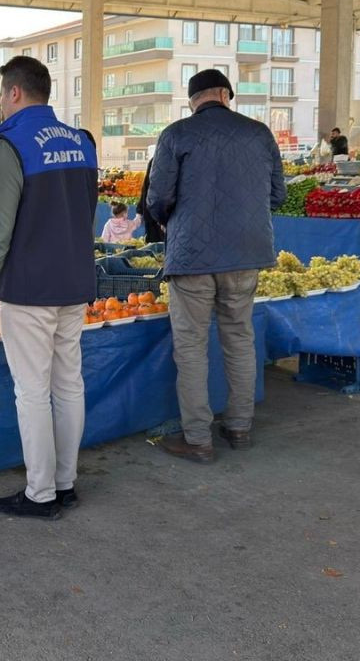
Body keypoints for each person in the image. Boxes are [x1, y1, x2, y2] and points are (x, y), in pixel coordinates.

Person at [0, 55, 98, 520]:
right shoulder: (82, 143)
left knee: (31, 391)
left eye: (2, 95)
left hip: (28, 288)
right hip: (74, 282)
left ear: (14, 93)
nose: (2, 104)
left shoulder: (13, 144)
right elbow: (85, 214)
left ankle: (40, 493)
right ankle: (65, 484)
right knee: (68, 385)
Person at [147, 69, 286, 463]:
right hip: (247, 254)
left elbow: (158, 197)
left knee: (191, 346)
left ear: (192, 100)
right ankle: (239, 427)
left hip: (192, 256)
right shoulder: (259, 133)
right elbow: (277, 195)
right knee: (240, 338)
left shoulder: (177, 134)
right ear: (226, 94)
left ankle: (197, 439)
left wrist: (170, 219)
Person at [135, 157, 166, 243]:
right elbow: (146, 187)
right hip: (154, 216)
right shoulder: (155, 160)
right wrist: (140, 211)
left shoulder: (158, 160)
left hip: (161, 216)